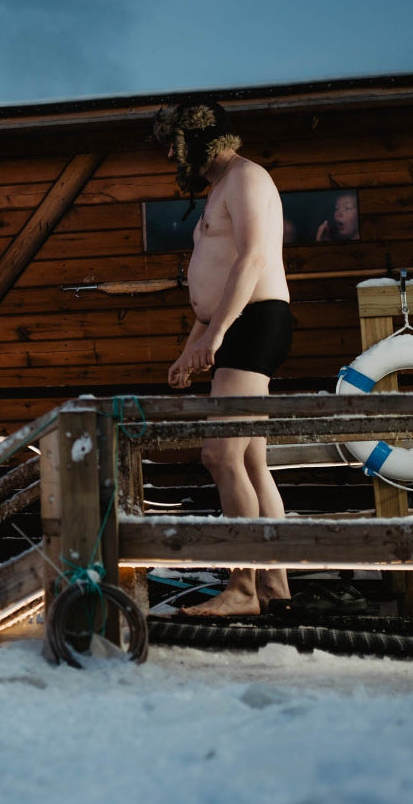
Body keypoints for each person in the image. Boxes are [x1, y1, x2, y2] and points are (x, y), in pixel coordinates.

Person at [153, 101, 293, 617]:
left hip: (254, 322)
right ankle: (274, 584)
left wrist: (219, 331)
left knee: (220, 455)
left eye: (174, 143)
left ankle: (242, 588)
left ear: (198, 140)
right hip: (236, 325)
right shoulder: (221, 188)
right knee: (251, 459)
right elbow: (214, 276)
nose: (170, 153)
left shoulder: (248, 177)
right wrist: (195, 339)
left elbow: (254, 258)